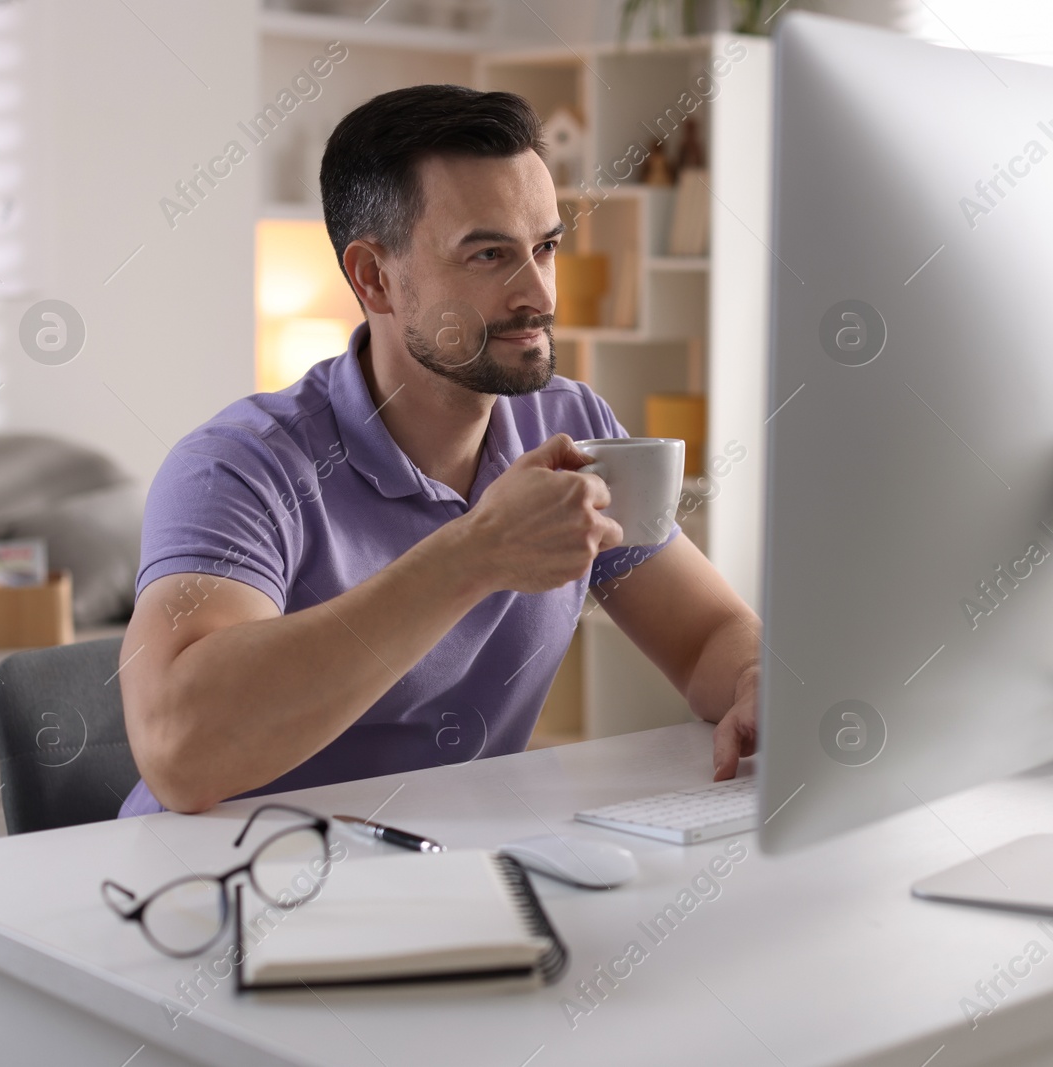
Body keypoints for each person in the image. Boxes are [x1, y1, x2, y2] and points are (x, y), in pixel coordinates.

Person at [116, 85, 760, 816]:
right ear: (374, 278)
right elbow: (181, 751)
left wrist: (754, 678)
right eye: (488, 255)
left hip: (446, 876)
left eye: (545, 247)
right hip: (214, 894)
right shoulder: (238, 466)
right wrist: (473, 554)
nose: (539, 294)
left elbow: (708, 636)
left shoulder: (570, 423)